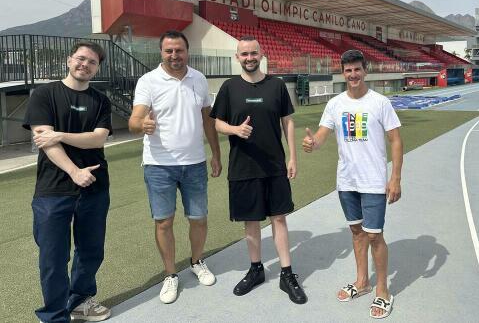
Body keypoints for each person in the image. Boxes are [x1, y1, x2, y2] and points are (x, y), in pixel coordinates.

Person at [302, 49, 403, 319]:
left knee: (374, 235)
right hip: (346, 181)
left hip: (372, 182)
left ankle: (383, 291)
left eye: (357, 69)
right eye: (348, 70)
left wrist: (395, 178)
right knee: (357, 233)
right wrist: (313, 143)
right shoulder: (335, 104)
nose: (353, 74)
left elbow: (395, 140)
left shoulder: (380, 102)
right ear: (343, 73)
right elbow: (323, 135)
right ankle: (362, 282)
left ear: (365, 71)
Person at [210, 36, 307, 304]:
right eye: (244, 54)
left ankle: (287, 274)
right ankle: (256, 270)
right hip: (243, 165)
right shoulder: (229, 88)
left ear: (261, 54)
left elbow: (287, 122)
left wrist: (292, 157)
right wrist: (235, 129)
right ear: (237, 57)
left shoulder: (276, 85)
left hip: (274, 164)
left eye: (254, 52)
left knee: (279, 218)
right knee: (250, 221)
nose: (249, 57)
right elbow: (217, 123)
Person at [128, 30, 222, 304]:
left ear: (187, 51)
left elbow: (208, 121)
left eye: (179, 50)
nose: (174, 55)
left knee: (199, 218)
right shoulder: (148, 81)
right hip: (159, 165)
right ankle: (170, 275)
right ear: (161, 52)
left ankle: (196, 261)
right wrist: (141, 125)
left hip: (195, 163)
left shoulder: (199, 79)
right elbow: (135, 120)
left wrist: (216, 153)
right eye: (168, 50)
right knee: (164, 222)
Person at [23, 42, 112, 323]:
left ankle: (80, 301)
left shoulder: (100, 100)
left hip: (95, 188)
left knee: (90, 250)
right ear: (69, 60)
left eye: (92, 62)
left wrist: (60, 134)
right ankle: (53, 315)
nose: (85, 65)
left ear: (97, 67)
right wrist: (74, 171)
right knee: (53, 257)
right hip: (53, 189)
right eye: (81, 59)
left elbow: (98, 137)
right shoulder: (44, 94)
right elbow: (43, 140)